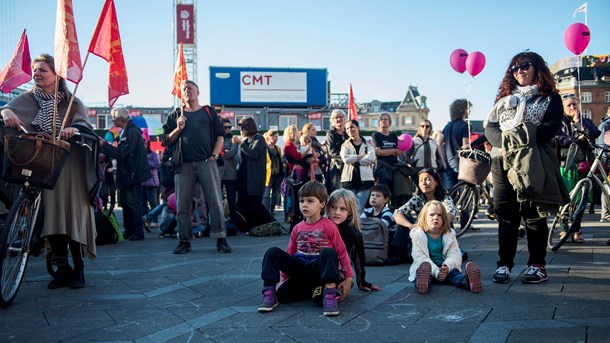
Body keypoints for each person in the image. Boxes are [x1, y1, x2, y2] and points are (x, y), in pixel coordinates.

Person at [1, 53, 97, 289]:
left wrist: (73, 129)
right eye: (35, 70)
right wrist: (5, 112)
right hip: (41, 165)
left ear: (56, 74)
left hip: (69, 164)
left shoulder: (71, 101)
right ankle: (62, 269)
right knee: (50, 218)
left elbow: (84, 124)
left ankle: (78, 270)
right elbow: (6, 111)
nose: (36, 73)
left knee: (69, 215)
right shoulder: (28, 99)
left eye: (43, 70)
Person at [485, 51, 568, 284]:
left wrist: (516, 139)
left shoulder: (550, 98)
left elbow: (548, 129)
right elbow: (490, 128)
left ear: (537, 68)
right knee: (506, 214)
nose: (519, 71)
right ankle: (504, 264)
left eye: (524, 66)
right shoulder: (504, 98)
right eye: (514, 68)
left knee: (533, 214)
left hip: (532, 161)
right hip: (501, 161)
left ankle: (537, 264)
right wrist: (509, 143)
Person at [258, 181, 353, 316]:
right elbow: (290, 253)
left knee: (328, 252)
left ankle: (330, 294)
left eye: (310, 201)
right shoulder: (297, 228)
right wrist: (284, 279)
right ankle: (269, 294)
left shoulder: (329, 226)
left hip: (318, 270)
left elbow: (342, 252)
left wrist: (348, 277)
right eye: (302, 201)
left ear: (322, 204)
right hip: (300, 269)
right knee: (273, 257)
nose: (304, 205)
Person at [161, 80, 231, 254]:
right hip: (183, 165)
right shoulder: (176, 115)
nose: (187, 91)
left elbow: (220, 136)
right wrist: (178, 129)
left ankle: (220, 238)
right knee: (182, 204)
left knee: (214, 201)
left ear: (197, 92)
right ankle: (184, 240)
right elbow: (166, 141)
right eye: (184, 89)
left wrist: (214, 156)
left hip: (207, 163)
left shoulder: (208, 112)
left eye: (190, 88)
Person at [410, 201, 482, 294]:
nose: (435, 217)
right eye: (431, 215)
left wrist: (447, 266)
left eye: (439, 215)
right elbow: (419, 257)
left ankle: (469, 282)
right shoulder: (417, 235)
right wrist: (436, 272)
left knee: (456, 276)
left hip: (445, 268)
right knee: (422, 274)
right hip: (428, 268)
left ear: (444, 218)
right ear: (424, 217)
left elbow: (455, 254)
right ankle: (423, 283)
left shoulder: (449, 234)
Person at [555, 93, 600, 243]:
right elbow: (557, 139)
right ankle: (564, 229)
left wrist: (579, 121)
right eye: (569, 105)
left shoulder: (585, 121)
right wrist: (575, 140)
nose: (573, 107)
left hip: (583, 164)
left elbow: (594, 134)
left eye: (575, 104)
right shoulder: (557, 122)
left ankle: (576, 230)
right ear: (563, 108)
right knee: (565, 199)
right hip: (565, 164)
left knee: (581, 200)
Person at [101, 108, 151, 242]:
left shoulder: (132, 132)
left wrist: (104, 145)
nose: (112, 120)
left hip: (132, 175)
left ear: (121, 119)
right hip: (127, 174)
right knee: (126, 203)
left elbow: (121, 153)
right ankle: (130, 230)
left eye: (113, 118)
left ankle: (138, 232)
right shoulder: (126, 131)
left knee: (133, 203)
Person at [389, 168, 457, 265]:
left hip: (439, 232)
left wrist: (431, 224)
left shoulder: (444, 198)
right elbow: (397, 213)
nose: (424, 183)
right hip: (421, 233)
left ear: (436, 182)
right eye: (421, 180)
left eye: (427, 179)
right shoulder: (418, 199)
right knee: (404, 221)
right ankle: (395, 253)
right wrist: (410, 225)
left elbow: (451, 214)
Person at [327, 189, 381, 292]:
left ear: (350, 211)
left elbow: (358, 259)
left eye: (342, 209)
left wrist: (362, 282)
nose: (336, 212)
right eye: (333, 207)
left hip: (336, 273)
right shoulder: (321, 225)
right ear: (328, 208)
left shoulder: (353, 233)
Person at [234, 117, 276, 230]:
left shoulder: (260, 139)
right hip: (244, 177)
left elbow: (252, 154)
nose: (241, 129)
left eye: (242, 127)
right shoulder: (247, 140)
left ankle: (270, 223)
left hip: (254, 177)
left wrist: (241, 144)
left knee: (256, 203)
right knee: (244, 203)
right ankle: (249, 226)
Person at [340, 119, 376, 212]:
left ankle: (357, 226)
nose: (349, 130)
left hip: (366, 180)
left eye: (352, 127)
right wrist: (360, 156)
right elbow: (346, 159)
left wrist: (356, 161)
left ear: (358, 128)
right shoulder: (345, 145)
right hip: (349, 181)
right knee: (349, 208)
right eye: (347, 129)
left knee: (359, 207)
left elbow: (372, 157)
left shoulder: (368, 142)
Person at [283, 124, 314, 228]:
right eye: (296, 131)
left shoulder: (293, 145)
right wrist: (308, 148)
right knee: (296, 201)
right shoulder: (289, 145)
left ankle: (297, 222)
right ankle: (295, 223)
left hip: (299, 176)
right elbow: (297, 157)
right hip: (295, 177)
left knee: (298, 199)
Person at [438, 99, 471, 191]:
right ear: (463, 109)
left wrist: (444, 162)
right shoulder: (465, 125)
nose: (469, 111)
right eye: (468, 108)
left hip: (449, 164)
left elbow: (439, 142)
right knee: (464, 193)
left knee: (451, 194)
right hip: (461, 164)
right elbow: (465, 146)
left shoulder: (447, 126)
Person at [372, 112, 401, 202]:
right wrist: (392, 151)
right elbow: (378, 152)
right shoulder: (376, 135)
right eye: (382, 119)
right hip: (382, 167)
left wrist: (390, 152)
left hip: (394, 167)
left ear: (389, 122)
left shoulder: (393, 136)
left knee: (396, 191)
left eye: (386, 119)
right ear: (379, 122)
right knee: (383, 191)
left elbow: (399, 152)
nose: (384, 121)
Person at [219, 118, 240, 223]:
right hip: (218, 173)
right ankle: (218, 221)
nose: (227, 129)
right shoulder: (216, 138)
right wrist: (223, 153)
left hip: (231, 174)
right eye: (225, 127)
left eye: (229, 127)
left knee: (232, 200)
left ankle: (233, 221)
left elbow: (233, 152)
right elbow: (215, 153)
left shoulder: (234, 138)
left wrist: (222, 153)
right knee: (218, 199)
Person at [325, 109, 348, 193]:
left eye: (340, 117)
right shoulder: (331, 134)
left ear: (345, 119)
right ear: (332, 121)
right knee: (337, 192)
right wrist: (346, 159)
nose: (338, 119)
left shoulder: (348, 133)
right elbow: (331, 151)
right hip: (336, 166)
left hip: (349, 167)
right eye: (336, 118)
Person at [263, 129, 283, 215]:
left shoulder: (277, 148)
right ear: (270, 137)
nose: (277, 139)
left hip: (277, 174)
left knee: (275, 194)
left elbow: (280, 159)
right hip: (268, 174)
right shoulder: (265, 148)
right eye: (275, 137)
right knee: (266, 194)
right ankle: (263, 210)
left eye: (277, 137)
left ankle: (271, 211)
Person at [142, 141, 161, 231]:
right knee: (143, 203)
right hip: (142, 182)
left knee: (153, 202)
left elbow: (157, 165)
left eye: (144, 144)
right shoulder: (139, 154)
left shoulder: (153, 154)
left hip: (151, 182)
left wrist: (146, 161)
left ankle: (155, 221)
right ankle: (146, 220)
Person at [597, 105, 610, 222]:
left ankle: (605, 212)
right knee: (606, 186)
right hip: (607, 161)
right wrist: (603, 164)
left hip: (606, 161)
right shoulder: (606, 125)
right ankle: (605, 212)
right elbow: (602, 147)